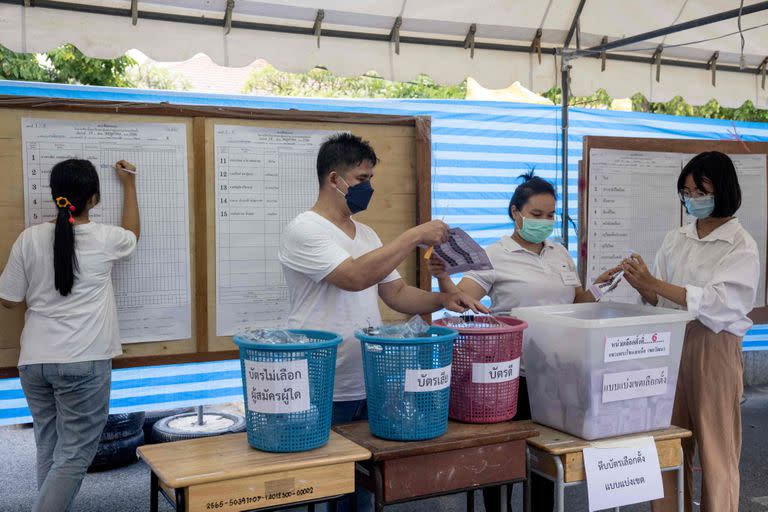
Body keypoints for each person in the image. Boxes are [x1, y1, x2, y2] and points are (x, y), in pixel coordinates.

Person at [430, 171, 614, 512]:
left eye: (550, 216)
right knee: (501, 459)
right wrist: (443, 277)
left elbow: (576, 306)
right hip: (513, 375)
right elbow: (460, 301)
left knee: (546, 458)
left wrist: (600, 287)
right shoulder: (494, 254)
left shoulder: (560, 253)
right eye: (536, 215)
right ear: (516, 212)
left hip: (558, 372)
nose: (545, 222)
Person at [620, 152, 758, 512]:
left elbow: (719, 304)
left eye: (700, 190)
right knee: (666, 446)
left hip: (713, 348)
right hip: (669, 345)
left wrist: (657, 285)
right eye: (686, 191)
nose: (692, 198)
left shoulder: (741, 245)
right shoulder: (676, 238)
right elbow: (659, 297)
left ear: (723, 189)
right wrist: (642, 284)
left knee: (716, 450)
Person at [0, 159, 140, 512]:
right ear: (93, 199)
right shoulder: (106, 238)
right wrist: (130, 184)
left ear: (55, 197)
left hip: (34, 363)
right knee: (74, 456)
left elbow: (8, 299)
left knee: (50, 446)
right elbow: (134, 234)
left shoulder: (29, 238)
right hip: (83, 362)